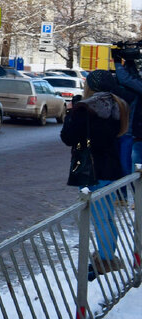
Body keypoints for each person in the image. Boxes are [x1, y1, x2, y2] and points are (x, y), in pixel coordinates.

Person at [61, 70, 129, 274]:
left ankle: (106, 260)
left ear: (91, 87)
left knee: (100, 217)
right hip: (111, 167)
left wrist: (70, 115)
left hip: (92, 170)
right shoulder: (119, 105)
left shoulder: (84, 108)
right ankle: (107, 255)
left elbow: (68, 138)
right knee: (106, 216)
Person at [112, 55, 142, 172]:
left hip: (134, 135)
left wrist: (118, 63)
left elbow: (126, 80)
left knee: (133, 168)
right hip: (134, 134)